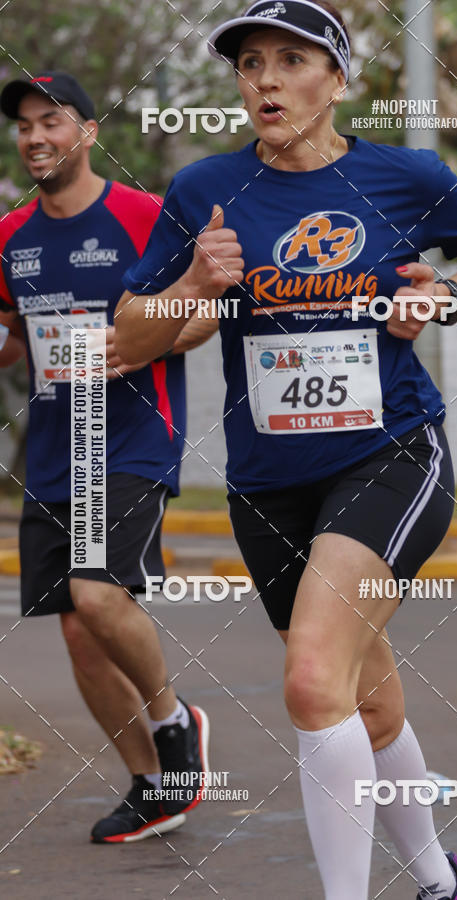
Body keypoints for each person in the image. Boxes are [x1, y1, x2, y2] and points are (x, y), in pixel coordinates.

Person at [114, 2, 457, 895]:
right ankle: (444, 880)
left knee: (309, 681)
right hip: (268, 484)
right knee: (362, 700)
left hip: (390, 455)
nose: (266, 79)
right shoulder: (203, 191)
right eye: (250, 63)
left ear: (338, 80)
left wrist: (446, 296)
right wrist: (194, 284)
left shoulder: (405, 176)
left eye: (291, 60)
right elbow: (135, 336)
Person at [0, 71, 215, 843]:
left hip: (130, 439)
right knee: (77, 632)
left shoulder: (144, 215)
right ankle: (155, 786)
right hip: (55, 450)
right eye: (25, 125)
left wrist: (145, 342)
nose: (35, 137)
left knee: (96, 596)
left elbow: (203, 309)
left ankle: (173, 720)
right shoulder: (10, 236)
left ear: (87, 133)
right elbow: (14, 335)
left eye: (51, 121)